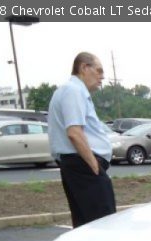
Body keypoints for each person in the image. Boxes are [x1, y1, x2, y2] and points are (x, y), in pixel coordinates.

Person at [48, 52, 116, 227]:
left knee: (86, 228)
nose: (102, 77)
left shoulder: (69, 91)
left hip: (78, 167)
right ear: (84, 68)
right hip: (84, 167)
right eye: (99, 71)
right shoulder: (74, 91)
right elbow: (74, 133)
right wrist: (95, 167)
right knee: (103, 226)